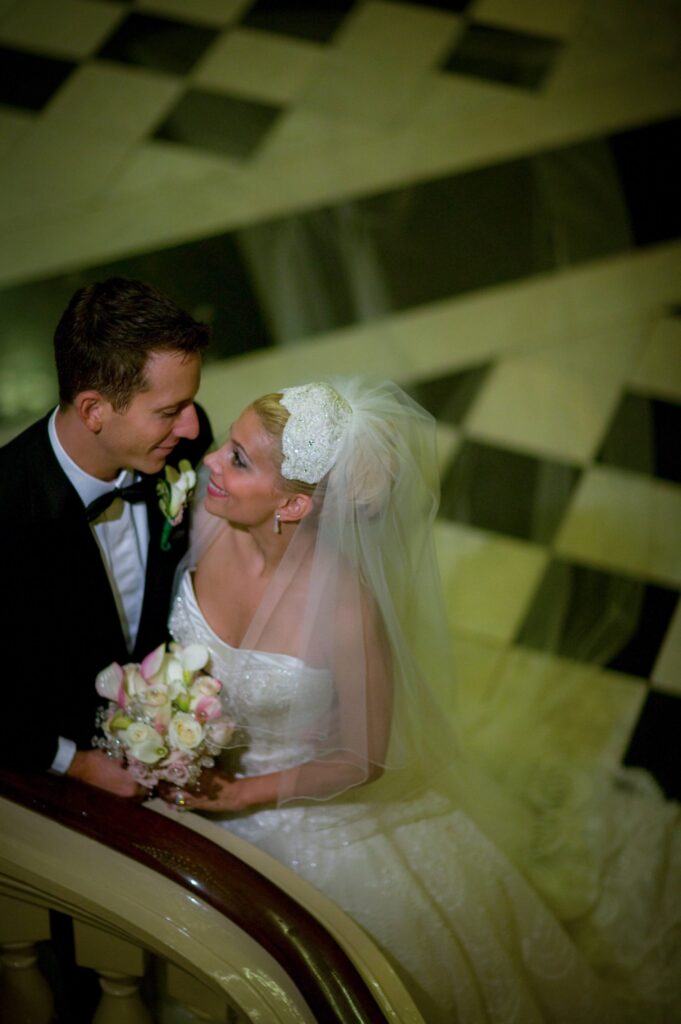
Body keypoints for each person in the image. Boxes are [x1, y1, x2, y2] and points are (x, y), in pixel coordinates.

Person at [163, 378, 680, 1023]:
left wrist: (240, 795)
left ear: (292, 506)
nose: (209, 460)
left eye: (237, 457)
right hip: (185, 787)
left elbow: (363, 759)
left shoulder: (347, 611)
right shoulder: (208, 522)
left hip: (307, 809)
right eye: (226, 446)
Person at [0, 277, 213, 796]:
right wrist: (71, 763)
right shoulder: (9, 512)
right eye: (168, 412)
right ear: (94, 409)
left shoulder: (179, 446)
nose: (190, 427)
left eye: (189, 404)